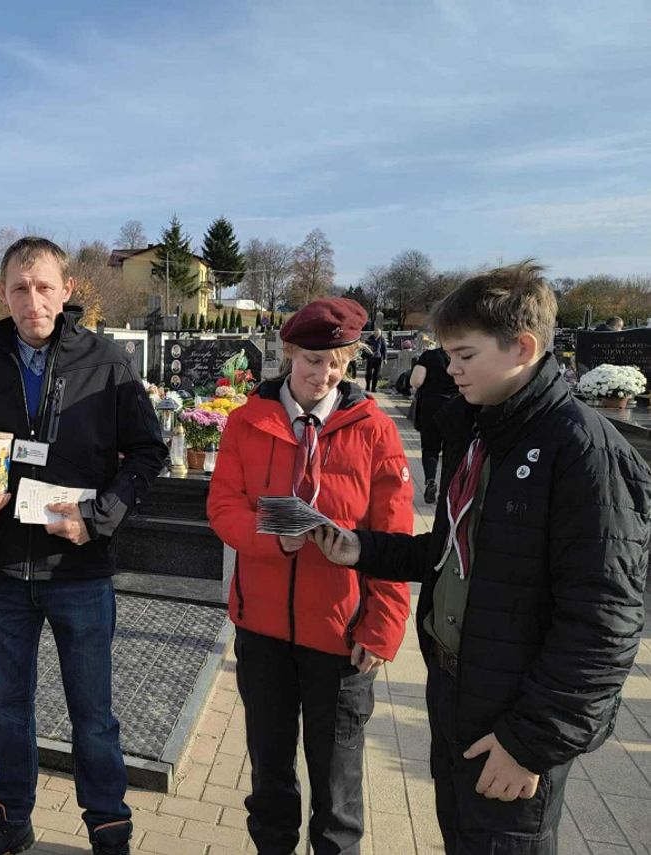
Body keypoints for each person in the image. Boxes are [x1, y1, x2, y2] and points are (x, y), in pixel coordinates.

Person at [309, 262, 651, 854]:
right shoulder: (485, 431)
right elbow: (452, 554)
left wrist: (532, 744)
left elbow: (605, 623)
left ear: (522, 347)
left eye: (464, 354)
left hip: (515, 710)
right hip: (460, 685)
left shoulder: (583, 452)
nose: (450, 368)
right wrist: (363, 547)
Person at [0, 237, 167, 855]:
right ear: (3, 294)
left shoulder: (108, 360)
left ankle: (108, 832)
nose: (32, 299)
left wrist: (97, 516)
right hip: (3, 569)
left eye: (44, 286)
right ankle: (8, 821)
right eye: (20, 287)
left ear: (68, 290)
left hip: (81, 569)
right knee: (6, 711)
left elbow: (150, 453)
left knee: (93, 717)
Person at [206, 298, 413, 855]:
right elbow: (224, 505)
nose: (323, 375)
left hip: (341, 636)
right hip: (264, 631)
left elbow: (394, 542)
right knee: (270, 779)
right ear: (289, 353)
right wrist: (271, 538)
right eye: (313, 361)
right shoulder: (248, 421)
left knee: (336, 791)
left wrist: (383, 627)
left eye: (337, 362)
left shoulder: (373, 428)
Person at [410, 344, 459, 504]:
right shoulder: (461, 354)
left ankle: (430, 480)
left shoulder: (428, 356)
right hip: (455, 406)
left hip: (431, 407)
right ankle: (446, 488)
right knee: (451, 449)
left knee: (430, 448)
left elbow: (416, 381)